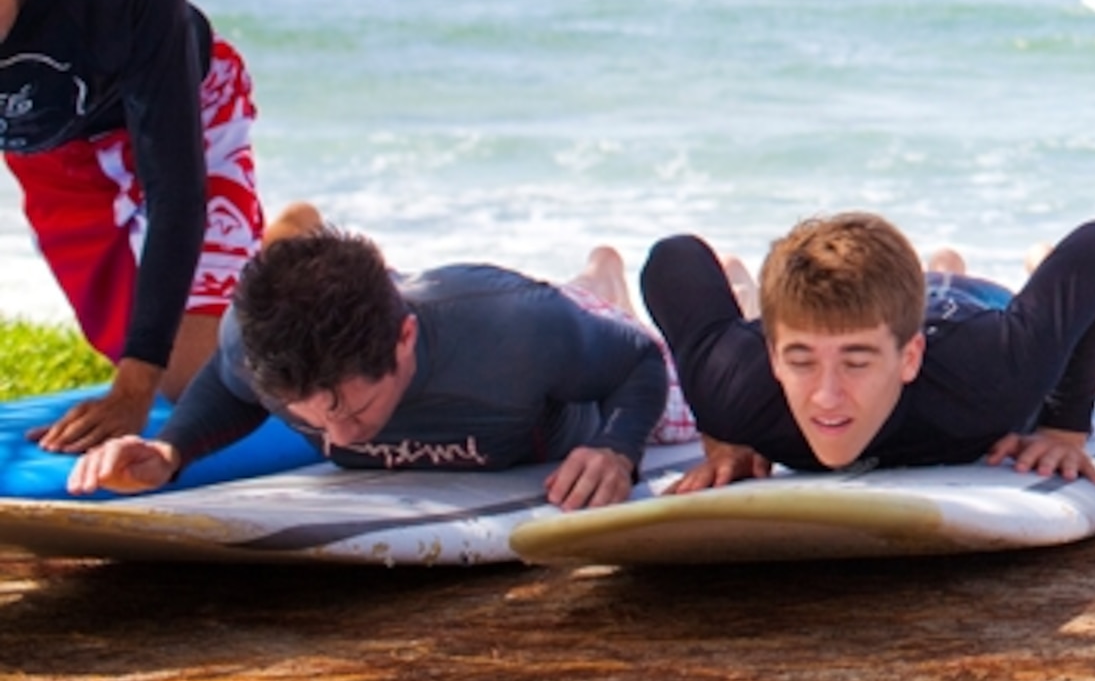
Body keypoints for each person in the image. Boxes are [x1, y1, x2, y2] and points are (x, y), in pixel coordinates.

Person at [66, 221, 690, 507]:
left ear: (404, 341)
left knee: (688, 368)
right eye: (313, 420)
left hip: (557, 327)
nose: (338, 438)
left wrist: (617, 448)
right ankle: (597, 276)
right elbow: (229, 390)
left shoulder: (516, 332)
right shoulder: (256, 346)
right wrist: (171, 452)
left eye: (355, 409)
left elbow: (637, 363)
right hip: (538, 324)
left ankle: (610, 282)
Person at [1, 0, 268, 450]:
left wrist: (134, 386)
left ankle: (303, 254)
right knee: (165, 361)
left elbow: (175, 188)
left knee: (204, 382)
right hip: (53, 157)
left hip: (175, 113)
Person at [643, 210, 1095, 486]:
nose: (826, 397)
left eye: (856, 363)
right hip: (863, 310)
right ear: (773, 357)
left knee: (961, 277)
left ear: (910, 358)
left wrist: (1064, 427)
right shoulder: (733, 391)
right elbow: (672, 258)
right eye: (800, 362)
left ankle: (1029, 263)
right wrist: (721, 437)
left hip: (964, 306)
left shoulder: (994, 372)